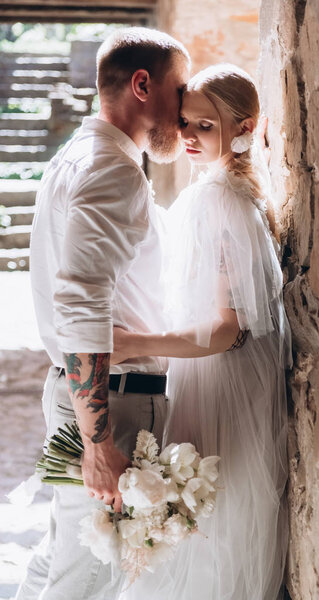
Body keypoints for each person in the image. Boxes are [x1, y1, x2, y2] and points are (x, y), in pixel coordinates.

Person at [16, 27, 190, 600]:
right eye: (179, 89)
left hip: (82, 394)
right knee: (84, 584)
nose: (186, 109)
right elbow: (83, 307)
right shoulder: (111, 169)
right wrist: (98, 444)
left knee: (58, 562)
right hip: (109, 402)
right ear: (143, 85)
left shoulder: (79, 154)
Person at [114, 64, 293, 600]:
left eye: (205, 127)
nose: (189, 136)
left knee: (213, 534)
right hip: (204, 378)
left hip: (225, 385)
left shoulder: (224, 201)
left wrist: (132, 344)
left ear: (244, 128)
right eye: (185, 122)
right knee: (197, 530)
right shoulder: (211, 193)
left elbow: (227, 330)